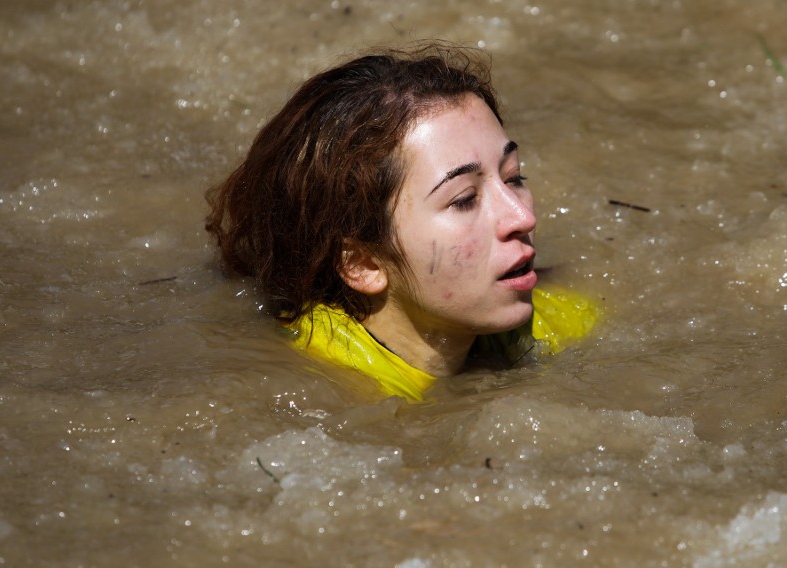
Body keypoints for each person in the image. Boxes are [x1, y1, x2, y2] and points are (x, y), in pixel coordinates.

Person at [205, 43, 598, 401]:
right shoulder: (335, 395)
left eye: (514, 177)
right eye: (464, 199)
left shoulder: (558, 320)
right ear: (362, 264)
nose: (522, 216)